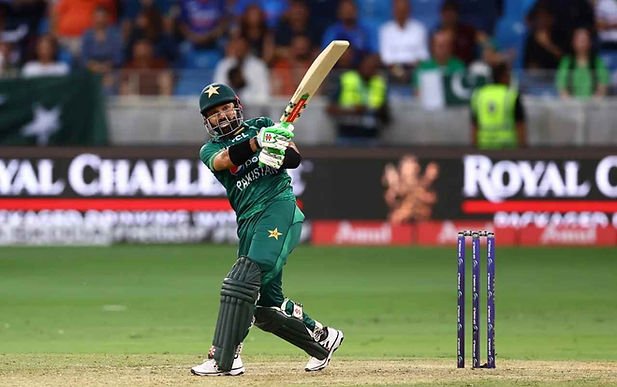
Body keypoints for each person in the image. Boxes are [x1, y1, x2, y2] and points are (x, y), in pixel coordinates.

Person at [190, 83, 344, 376]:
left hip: (278, 208)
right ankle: (322, 339)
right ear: (206, 121)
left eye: (225, 108)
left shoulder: (261, 125)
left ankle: (223, 358)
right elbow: (224, 161)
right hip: (249, 222)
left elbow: (294, 159)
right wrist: (257, 145)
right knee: (264, 308)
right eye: (214, 113)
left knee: (243, 279)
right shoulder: (210, 149)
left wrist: (276, 151)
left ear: (237, 107)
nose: (221, 116)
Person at [327, 53, 389, 145]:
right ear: (360, 66)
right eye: (367, 66)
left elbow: (386, 115)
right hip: (347, 134)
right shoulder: (347, 79)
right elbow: (330, 109)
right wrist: (352, 110)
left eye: (374, 67)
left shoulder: (379, 83)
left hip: (371, 135)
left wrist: (376, 110)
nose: (370, 69)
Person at [470, 62, 526, 149]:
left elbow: (474, 126)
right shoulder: (512, 95)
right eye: (508, 75)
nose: (510, 78)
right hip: (507, 149)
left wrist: (474, 150)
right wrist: (523, 150)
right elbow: (520, 125)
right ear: (503, 77)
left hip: (484, 147)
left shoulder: (479, 95)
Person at [555, 27, 610, 100]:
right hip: (571, 106)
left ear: (590, 42)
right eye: (579, 40)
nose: (581, 43)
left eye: (584, 40)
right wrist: (570, 103)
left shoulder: (597, 62)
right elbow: (561, 85)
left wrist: (593, 103)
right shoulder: (566, 62)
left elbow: (603, 84)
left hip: (593, 106)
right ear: (573, 42)